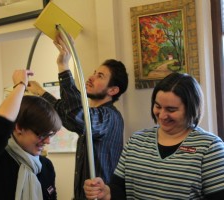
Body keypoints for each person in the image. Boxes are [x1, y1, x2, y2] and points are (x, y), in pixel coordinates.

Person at [84, 72, 224, 200]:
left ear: (191, 109)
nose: (162, 115)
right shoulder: (136, 141)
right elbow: (119, 189)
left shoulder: (210, 148)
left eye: (171, 109)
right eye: (158, 106)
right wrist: (106, 192)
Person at [27, 34, 129, 200]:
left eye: (100, 76)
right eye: (95, 73)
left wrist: (63, 66)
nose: (90, 77)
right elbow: (69, 115)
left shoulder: (109, 117)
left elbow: (76, 115)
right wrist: (41, 92)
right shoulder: (95, 116)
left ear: (113, 90)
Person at [0, 69, 62, 200]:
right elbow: (0, 125)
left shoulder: (46, 166)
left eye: (51, 134)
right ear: (19, 127)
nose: (47, 141)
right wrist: (20, 85)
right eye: (42, 134)